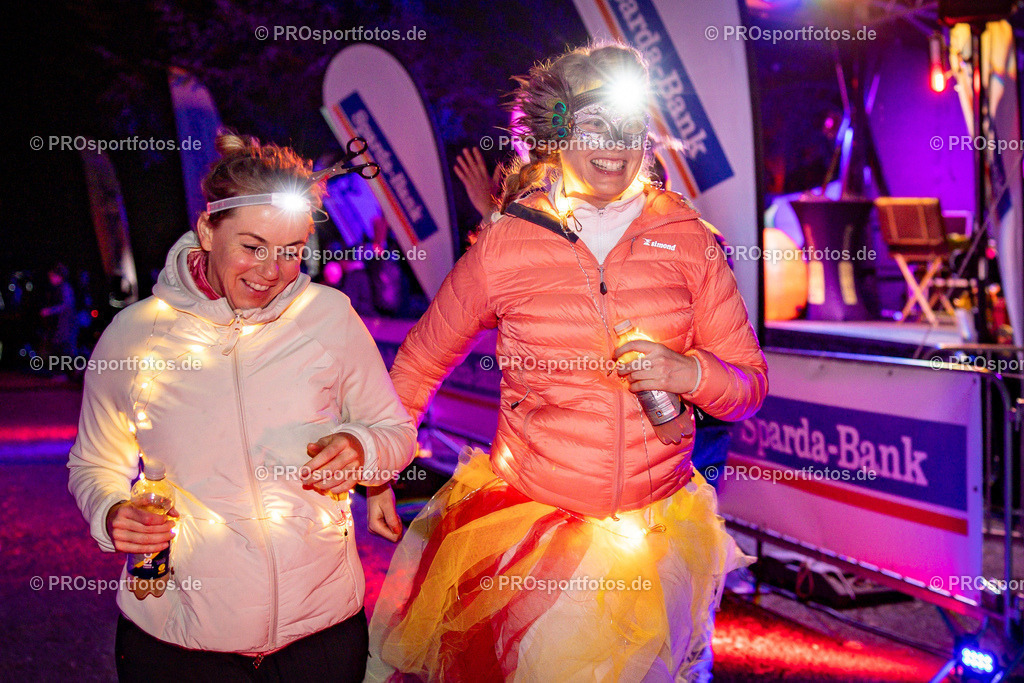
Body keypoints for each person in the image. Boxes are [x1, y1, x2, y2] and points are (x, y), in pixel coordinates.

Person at [364, 43, 767, 681]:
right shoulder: (505, 244)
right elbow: (418, 364)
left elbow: (749, 384)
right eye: (594, 123)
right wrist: (378, 469)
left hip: (658, 534)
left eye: (628, 125)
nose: (614, 144)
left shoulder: (689, 238)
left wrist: (688, 373)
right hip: (537, 536)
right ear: (556, 132)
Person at [68, 132, 416, 681]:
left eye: (291, 250)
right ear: (208, 230)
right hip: (179, 642)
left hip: (320, 638)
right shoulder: (134, 336)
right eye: (253, 247)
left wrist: (361, 446)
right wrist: (111, 512)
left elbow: (394, 430)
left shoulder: (327, 316)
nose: (271, 271)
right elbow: (93, 463)